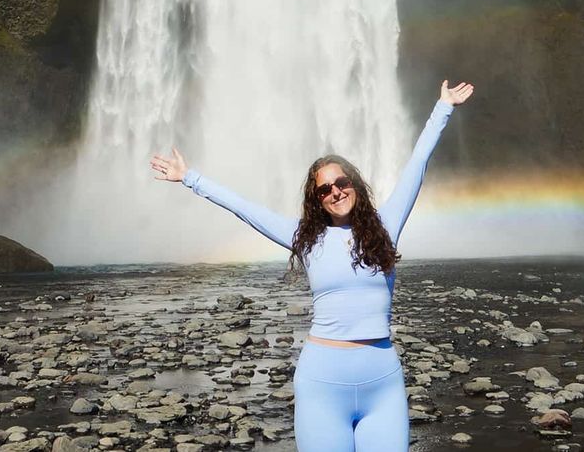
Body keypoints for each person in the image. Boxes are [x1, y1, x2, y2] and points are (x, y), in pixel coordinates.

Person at [151, 79, 474, 452]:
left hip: (382, 380)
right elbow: (245, 208)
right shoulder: (306, 239)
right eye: (324, 189)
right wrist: (190, 178)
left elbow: (417, 164)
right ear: (317, 200)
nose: (335, 191)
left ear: (354, 184)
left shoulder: (386, 227)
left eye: (341, 182)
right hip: (323, 382)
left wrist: (443, 108)